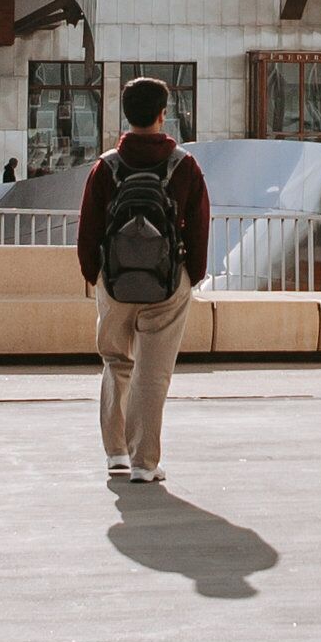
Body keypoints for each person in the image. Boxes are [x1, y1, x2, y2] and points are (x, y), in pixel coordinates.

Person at [77, 76, 208, 482]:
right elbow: (199, 228)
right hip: (167, 282)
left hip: (114, 281)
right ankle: (144, 463)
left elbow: (88, 230)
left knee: (116, 361)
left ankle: (115, 452)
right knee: (153, 372)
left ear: (126, 115)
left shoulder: (106, 166)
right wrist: (190, 276)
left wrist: (96, 275)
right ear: (162, 115)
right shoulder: (183, 165)